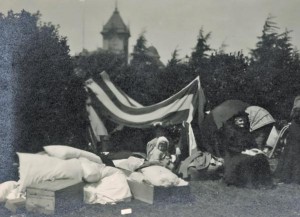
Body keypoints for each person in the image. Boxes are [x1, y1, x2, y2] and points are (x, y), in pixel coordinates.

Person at [275, 96, 300, 184]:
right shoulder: (298, 99)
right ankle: (288, 177)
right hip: (296, 127)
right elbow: (295, 114)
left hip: (295, 126)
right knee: (293, 152)